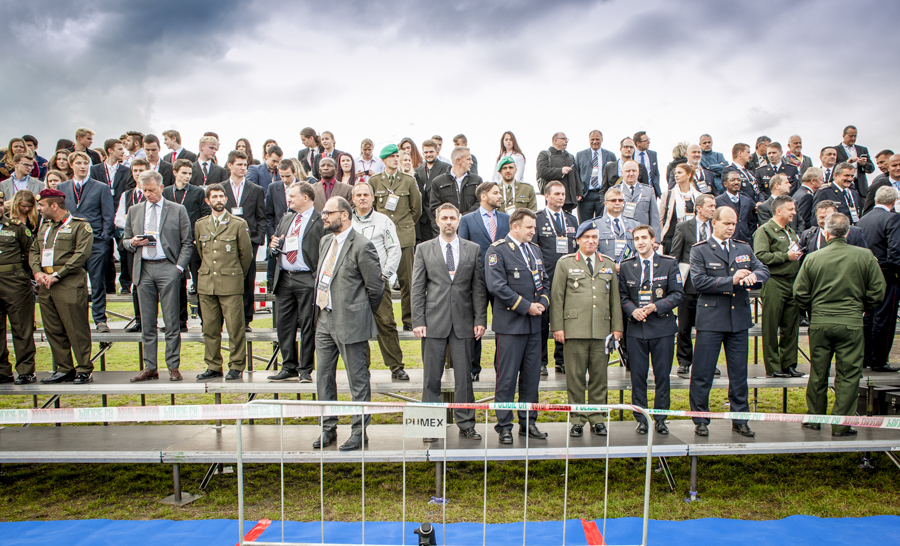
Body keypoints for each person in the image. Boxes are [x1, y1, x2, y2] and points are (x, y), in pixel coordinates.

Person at [794, 212, 885, 436]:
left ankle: (814, 418)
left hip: (821, 322)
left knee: (818, 371)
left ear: (826, 233)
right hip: (850, 322)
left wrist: (814, 308)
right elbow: (878, 291)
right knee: (849, 375)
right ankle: (841, 424)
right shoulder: (865, 256)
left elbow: (799, 292)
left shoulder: (813, 258)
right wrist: (861, 307)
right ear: (848, 232)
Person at [689, 206, 769, 438]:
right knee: (703, 373)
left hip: (738, 320)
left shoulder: (743, 248)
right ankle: (700, 419)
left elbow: (762, 269)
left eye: (733, 224)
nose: (731, 228)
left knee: (739, 374)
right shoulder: (700, 250)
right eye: (726, 223)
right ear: (714, 223)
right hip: (711, 320)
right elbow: (699, 282)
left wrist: (754, 276)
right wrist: (731, 280)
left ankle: (740, 419)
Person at [313, 196, 384, 452]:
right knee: (323, 377)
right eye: (323, 213)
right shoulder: (325, 241)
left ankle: (358, 431)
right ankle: (327, 428)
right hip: (324, 318)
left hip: (351, 321)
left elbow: (376, 288)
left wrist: (359, 312)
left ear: (344, 215)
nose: (324, 217)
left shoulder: (362, 246)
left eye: (328, 213)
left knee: (358, 379)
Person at [413, 202, 487, 440]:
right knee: (431, 378)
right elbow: (417, 288)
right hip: (433, 322)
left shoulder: (473, 249)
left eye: (452, 218)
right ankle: (430, 427)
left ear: (459, 220)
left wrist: (480, 318)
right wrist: (418, 320)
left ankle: (466, 424)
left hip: (464, 322)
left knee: (464, 377)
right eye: (444, 218)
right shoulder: (423, 249)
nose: (448, 222)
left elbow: (479, 288)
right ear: (437, 221)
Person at [550, 219, 623, 437]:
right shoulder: (565, 263)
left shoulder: (607, 263)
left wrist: (617, 327)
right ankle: (577, 419)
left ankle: (598, 418)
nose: (591, 241)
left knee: (600, 378)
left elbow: (615, 298)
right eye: (586, 237)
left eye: (594, 237)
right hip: (574, 330)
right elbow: (557, 297)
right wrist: (558, 327)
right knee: (575, 378)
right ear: (578, 240)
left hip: (601, 330)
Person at [485, 208, 551, 443]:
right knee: (507, 379)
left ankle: (528, 422)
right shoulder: (498, 250)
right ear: (515, 226)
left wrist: (542, 303)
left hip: (534, 326)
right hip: (511, 326)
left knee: (531, 378)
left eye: (534, 227)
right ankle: (504, 426)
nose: (533, 231)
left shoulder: (534, 250)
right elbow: (497, 286)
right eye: (529, 227)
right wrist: (526, 306)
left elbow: (544, 280)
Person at [122, 171, 193, 382]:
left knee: (171, 321)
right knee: (147, 322)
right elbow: (125, 240)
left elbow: (187, 242)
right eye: (144, 190)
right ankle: (150, 367)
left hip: (167, 267)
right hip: (144, 268)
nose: (147, 194)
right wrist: (132, 242)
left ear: (161, 187)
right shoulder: (134, 210)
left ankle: (173, 366)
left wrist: (178, 268)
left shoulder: (177, 209)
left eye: (151, 190)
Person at [618, 224, 683, 435]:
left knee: (662, 376)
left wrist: (657, 306)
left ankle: (661, 418)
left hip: (662, 328)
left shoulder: (668, 263)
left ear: (653, 240)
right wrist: (632, 310)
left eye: (644, 238)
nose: (640, 242)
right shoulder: (626, 266)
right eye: (636, 239)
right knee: (638, 377)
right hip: (636, 330)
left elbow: (678, 294)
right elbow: (622, 296)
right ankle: (641, 419)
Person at [31, 188, 94, 384]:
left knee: (76, 327)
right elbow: (34, 251)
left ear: (54, 205)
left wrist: (59, 274)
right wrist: (37, 272)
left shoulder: (79, 226)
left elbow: (81, 254)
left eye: (41, 205)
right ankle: (64, 368)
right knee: (53, 328)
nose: (39, 209)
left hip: (68, 282)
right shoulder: (45, 227)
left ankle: (83, 368)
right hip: (46, 283)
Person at [194, 183, 253, 381]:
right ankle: (213, 365)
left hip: (230, 283)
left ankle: (236, 365)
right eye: (214, 197)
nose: (218, 200)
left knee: (235, 328)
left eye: (221, 196)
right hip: (207, 283)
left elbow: (246, 255)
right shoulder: (201, 224)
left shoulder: (238, 224)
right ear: (207, 200)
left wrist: (234, 274)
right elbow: (201, 253)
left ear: (226, 199)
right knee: (210, 328)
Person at [267, 181, 323, 384]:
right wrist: (273, 246)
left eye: (292, 196)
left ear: (305, 198)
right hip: (284, 277)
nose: (288, 199)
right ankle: (288, 366)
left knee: (308, 324)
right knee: (284, 324)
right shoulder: (286, 218)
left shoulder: (320, 220)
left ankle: (305, 369)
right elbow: (275, 245)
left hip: (307, 277)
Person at [350, 182, 407, 380]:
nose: (362, 198)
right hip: (353, 284)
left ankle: (396, 366)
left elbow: (394, 248)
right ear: (353, 198)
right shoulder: (347, 221)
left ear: (373, 198)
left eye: (366, 194)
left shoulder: (383, 221)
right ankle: (361, 368)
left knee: (386, 322)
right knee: (358, 326)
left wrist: (385, 274)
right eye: (358, 195)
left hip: (377, 282)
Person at [458, 182, 509, 381]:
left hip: (501, 281)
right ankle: (473, 369)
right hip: (476, 281)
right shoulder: (467, 220)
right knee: (475, 326)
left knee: (503, 326)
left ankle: (501, 368)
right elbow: (463, 250)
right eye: (495, 193)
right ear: (483, 196)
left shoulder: (506, 219)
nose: (499, 196)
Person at [368, 144, 422, 331]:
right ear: (383, 160)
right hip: (382, 238)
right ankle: (383, 320)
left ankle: (409, 319)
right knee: (381, 278)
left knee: (407, 279)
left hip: (404, 235)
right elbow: (372, 209)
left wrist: (405, 225)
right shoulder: (374, 181)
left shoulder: (408, 180)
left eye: (396, 156)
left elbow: (416, 209)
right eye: (391, 157)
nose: (395, 159)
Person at [59, 151, 114, 332]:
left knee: (97, 282)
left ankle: (100, 319)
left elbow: (108, 215)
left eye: (86, 163)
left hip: (96, 242)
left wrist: (104, 238)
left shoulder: (101, 187)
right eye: (79, 163)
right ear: (71, 165)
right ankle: (77, 320)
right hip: (70, 243)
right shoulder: (62, 187)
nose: (83, 166)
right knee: (73, 284)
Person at [753, 195, 804, 378]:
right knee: (771, 326)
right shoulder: (765, 231)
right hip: (774, 281)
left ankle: (789, 364)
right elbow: (760, 256)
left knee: (791, 326)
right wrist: (785, 256)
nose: (794, 213)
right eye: (790, 209)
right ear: (779, 210)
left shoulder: (790, 231)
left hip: (792, 282)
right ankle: (773, 366)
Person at [531, 181, 577, 374]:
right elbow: (533, 249)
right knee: (542, 320)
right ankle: (541, 362)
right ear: (547, 196)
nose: (560, 197)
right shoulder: (537, 219)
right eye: (556, 194)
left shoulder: (571, 220)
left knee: (565, 319)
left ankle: (561, 359)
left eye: (563, 194)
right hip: (545, 278)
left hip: (568, 278)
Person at [670, 193, 716, 376]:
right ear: (698, 208)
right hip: (688, 284)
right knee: (684, 326)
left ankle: (707, 361)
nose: (713, 209)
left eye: (714, 206)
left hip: (711, 284)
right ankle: (684, 361)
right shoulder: (683, 227)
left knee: (708, 327)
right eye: (710, 206)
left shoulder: (716, 227)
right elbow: (675, 255)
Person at [856, 186, 900, 373]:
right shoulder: (893, 218)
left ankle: (866, 356)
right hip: (886, 274)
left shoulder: (863, 219)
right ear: (894, 202)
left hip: (866, 273)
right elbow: (895, 251)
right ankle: (879, 359)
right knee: (885, 317)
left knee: (869, 317)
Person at [222, 150, 267, 331]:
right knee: (227, 279)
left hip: (249, 240)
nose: (243, 168)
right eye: (239, 164)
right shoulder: (220, 188)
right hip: (226, 240)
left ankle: (246, 319)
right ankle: (228, 318)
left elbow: (261, 216)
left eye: (245, 165)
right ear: (230, 165)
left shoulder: (255, 189)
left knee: (248, 278)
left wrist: (258, 239)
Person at [163, 159, 210, 329]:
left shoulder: (197, 192)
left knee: (200, 284)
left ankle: (206, 322)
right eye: (183, 173)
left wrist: (198, 236)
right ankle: (180, 321)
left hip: (194, 243)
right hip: (175, 245)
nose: (187, 176)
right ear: (175, 172)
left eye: (189, 173)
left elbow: (205, 214)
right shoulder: (166, 192)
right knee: (176, 283)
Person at [0, 190, 37, 385]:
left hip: (14, 282)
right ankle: (2, 371)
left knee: (22, 327)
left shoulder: (16, 228)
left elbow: (30, 252)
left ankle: (26, 370)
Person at [91, 139, 134, 295]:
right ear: (109, 150)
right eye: (119, 149)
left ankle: (125, 284)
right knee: (105, 251)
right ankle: (108, 286)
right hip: (102, 216)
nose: (123, 152)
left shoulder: (126, 170)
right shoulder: (95, 170)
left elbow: (128, 191)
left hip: (120, 215)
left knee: (124, 252)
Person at [116, 160, 149, 329]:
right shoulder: (127, 195)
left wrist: (131, 222)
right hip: (133, 242)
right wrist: (134, 226)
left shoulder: (153, 193)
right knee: (136, 283)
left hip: (149, 242)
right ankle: (139, 320)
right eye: (135, 170)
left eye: (141, 170)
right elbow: (118, 219)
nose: (138, 173)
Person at [265, 159, 298, 290]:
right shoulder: (273, 187)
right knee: (273, 258)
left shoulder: (302, 186)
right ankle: (271, 282)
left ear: (294, 172)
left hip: (296, 230)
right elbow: (268, 214)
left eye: (288, 176)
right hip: (277, 231)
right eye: (282, 176)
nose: (285, 179)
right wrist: (272, 234)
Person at [659, 163, 703, 254]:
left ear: (688, 175)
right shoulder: (668, 194)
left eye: (679, 173)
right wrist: (660, 236)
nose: (676, 175)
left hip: (692, 238)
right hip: (671, 237)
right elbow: (660, 218)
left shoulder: (698, 196)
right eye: (675, 173)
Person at [430, 145, 482, 219]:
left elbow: (481, 203)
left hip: (471, 223)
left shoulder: (477, 181)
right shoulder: (438, 182)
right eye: (468, 159)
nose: (471, 162)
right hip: (448, 224)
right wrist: (452, 218)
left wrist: (464, 217)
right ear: (458, 161)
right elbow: (435, 207)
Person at [798, 200, 868, 254]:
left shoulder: (855, 233)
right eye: (822, 217)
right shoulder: (808, 235)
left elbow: (863, 255)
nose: (826, 220)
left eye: (829, 217)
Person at [615, 160, 660, 242]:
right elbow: (607, 217)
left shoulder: (648, 190)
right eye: (628, 171)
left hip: (642, 238)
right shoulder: (614, 191)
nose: (631, 173)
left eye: (634, 171)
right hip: (621, 237)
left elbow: (654, 217)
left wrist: (656, 240)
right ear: (622, 173)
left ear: (638, 172)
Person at [414, 139, 449, 244]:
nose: (428, 154)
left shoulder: (446, 168)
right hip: (424, 218)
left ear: (437, 152)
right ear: (422, 153)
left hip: (439, 212)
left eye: (431, 152)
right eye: (426, 152)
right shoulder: (418, 170)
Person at [575, 129, 616, 220]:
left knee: (603, 222)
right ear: (589, 140)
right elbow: (576, 175)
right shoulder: (580, 155)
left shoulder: (610, 155)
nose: (594, 142)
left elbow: (614, 175)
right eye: (592, 139)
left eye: (597, 139)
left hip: (603, 194)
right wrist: (578, 191)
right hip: (585, 195)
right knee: (585, 224)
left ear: (602, 140)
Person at [536, 132, 581, 213]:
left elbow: (575, 174)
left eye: (567, 139)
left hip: (569, 199)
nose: (566, 141)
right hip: (553, 198)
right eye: (563, 139)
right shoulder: (545, 154)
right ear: (555, 140)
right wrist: (560, 171)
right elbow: (542, 172)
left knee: (567, 220)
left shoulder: (570, 156)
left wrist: (578, 192)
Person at [715, 170, 758, 244]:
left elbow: (751, 222)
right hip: (727, 241)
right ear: (725, 184)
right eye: (732, 180)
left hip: (745, 241)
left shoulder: (747, 200)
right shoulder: (718, 201)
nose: (736, 182)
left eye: (739, 180)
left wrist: (749, 234)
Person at [834, 125, 875, 197]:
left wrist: (864, 164)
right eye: (851, 136)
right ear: (844, 135)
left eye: (855, 136)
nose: (853, 138)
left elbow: (871, 169)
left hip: (860, 188)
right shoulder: (835, 150)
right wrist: (846, 163)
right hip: (842, 185)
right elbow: (833, 168)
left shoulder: (862, 149)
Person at [633, 131, 661, 197]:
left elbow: (655, 173)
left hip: (651, 190)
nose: (648, 142)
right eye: (646, 141)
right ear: (638, 143)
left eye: (648, 140)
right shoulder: (631, 155)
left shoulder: (653, 154)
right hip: (635, 191)